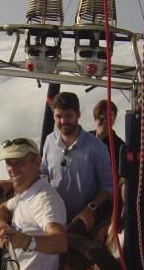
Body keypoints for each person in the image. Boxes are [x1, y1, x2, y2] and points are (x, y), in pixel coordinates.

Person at [0, 137, 68, 270]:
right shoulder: (26, 192)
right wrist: (2, 225)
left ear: (37, 161)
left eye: (20, 162)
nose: (12, 169)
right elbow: (0, 210)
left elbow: (60, 242)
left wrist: (24, 241)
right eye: (9, 163)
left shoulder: (45, 200)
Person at [41, 92, 115, 234]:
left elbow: (108, 187)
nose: (63, 121)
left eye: (68, 116)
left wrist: (90, 208)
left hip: (82, 224)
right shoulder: (50, 141)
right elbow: (44, 174)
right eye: (58, 116)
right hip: (52, 219)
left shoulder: (97, 147)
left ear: (78, 115)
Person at [93, 99, 125, 167]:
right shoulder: (84, 139)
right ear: (95, 118)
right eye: (101, 117)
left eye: (110, 117)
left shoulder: (120, 147)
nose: (105, 121)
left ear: (114, 120)